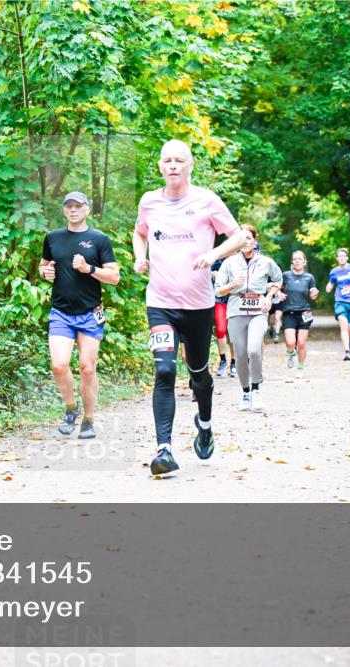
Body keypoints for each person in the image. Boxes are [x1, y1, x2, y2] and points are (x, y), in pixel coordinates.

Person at [133, 139, 249, 476]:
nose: (172, 165)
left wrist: (213, 255)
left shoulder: (206, 200)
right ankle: (164, 449)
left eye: (179, 160)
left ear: (190, 165)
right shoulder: (149, 202)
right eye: (167, 160)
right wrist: (141, 257)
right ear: (159, 166)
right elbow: (139, 233)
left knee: (198, 373)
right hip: (160, 304)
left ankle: (205, 422)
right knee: (165, 371)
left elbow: (239, 236)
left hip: (198, 306)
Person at [40, 191, 120, 439]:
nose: (73, 210)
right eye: (69, 206)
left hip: (89, 313)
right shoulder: (53, 238)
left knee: (87, 368)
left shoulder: (99, 239)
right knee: (58, 365)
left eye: (78, 206)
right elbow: (43, 265)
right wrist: (45, 273)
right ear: (64, 210)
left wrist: (89, 269)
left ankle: (88, 420)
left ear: (87, 210)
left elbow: (114, 277)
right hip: (61, 312)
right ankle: (70, 409)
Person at [214, 225, 282, 412]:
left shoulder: (266, 262)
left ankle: (256, 389)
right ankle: (245, 392)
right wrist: (231, 286)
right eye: (242, 239)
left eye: (249, 238)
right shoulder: (229, 263)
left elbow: (278, 280)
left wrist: (269, 297)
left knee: (254, 350)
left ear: (255, 240)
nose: (246, 242)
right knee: (241, 354)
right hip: (236, 309)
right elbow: (218, 289)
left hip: (258, 309)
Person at [280, 250, 319, 372]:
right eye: (295, 259)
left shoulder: (309, 277)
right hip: (289, 312)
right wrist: (279, 293)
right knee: (291, 342)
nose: (297, 261)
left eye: (299, 259)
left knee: (301, 343)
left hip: (304, 313)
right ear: (292, 261)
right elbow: (277, 288)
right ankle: (291, 353)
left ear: (304, 262)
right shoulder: (285, 275)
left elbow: (313, 294)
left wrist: (314, 293)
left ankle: (300, 367)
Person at [211, 257, 237, 378]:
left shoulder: (241, 260)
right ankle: (223, 360)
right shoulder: (218, 259)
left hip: (235, 300)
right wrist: (212, 273)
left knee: (234, 333)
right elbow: (206, 273)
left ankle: (234, 362)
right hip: (220, 300)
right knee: (220, 330)